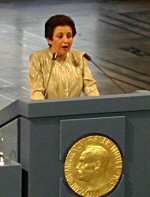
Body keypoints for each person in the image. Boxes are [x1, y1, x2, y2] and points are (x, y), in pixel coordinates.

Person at [29, 14, 100, 100]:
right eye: (60, 36)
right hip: (49, 111)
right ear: (50, 39)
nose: (66, 40)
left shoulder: (80, 57)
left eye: (69, 36)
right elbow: (37, 91)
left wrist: (96, 104)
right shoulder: (38, 58)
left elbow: (91, 89)